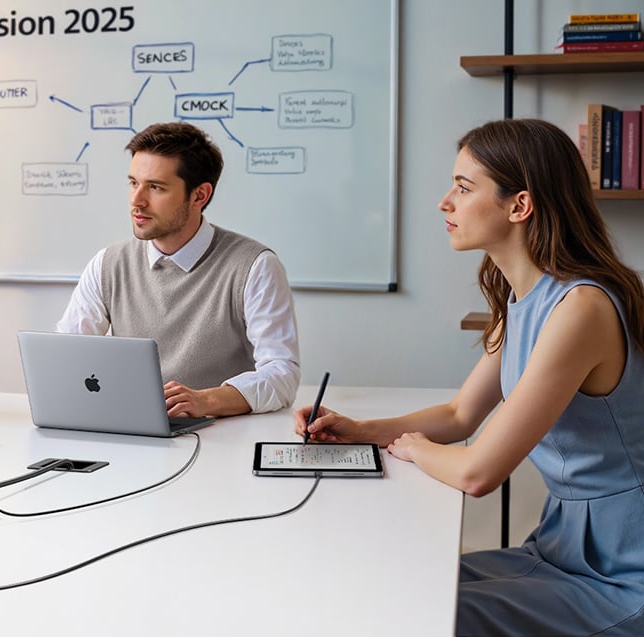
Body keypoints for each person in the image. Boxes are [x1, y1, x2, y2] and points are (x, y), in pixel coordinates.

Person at [294, 118, 644, 635]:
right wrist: (360, 430)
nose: (445, 202)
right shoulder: (520, 297)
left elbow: (478, 473)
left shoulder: (581, 308)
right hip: (559, 546)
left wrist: (412, 447)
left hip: (621, 571)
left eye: (463, 187)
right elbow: (460, 416)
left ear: (518, 206)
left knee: (424, 615)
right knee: (396, 586)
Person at [57, 121, 299, 419]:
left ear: (200, 195)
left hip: (221, 438)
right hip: (130, 428)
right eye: (133, 183)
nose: (137, 201)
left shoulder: (254, 266)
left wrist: (206, 400)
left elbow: (282, 373)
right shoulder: (108, 263)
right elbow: (65, 355)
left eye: (155, 187)